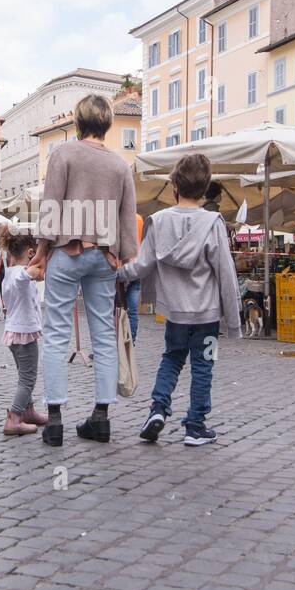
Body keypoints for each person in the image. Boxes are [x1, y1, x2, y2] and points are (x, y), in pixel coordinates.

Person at [30, 94, 138, 448]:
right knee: (103, 335)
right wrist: (123, 257)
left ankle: (56, 419)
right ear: (107, 124)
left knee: (58, 333)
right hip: (104, 255)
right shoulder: (121, 166)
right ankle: (101, 417)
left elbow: (51, 207)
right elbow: (127, 218)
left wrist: (42, 254)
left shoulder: (63, 154)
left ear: (77, 122)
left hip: (68, 250)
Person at [118, 154, 241, 446]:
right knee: (204, 365)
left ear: (174, 185)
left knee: (171, 359)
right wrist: (233, 321)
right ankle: (195, 426)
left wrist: (117, 274)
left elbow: (142, 265)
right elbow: (226, 272)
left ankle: (158, 408)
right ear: (206, 187)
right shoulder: (213, 223)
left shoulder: (158, 222)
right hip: (207, 315)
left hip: (175, 312)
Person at [0, 232, 48, 436]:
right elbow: (23, 277)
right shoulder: (19, 273)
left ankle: (28, 411)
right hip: (23, 333)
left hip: (15, 331)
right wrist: (33, 270)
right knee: (28, 379)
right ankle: (15, 418)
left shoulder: (8, 272)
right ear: (30, 252)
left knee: (23, 375)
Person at [123, 213, 144, 341]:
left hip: (123, 267)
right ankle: (131, 341)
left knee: (113, 310)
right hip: (137, 266)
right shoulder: (139, 218)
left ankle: (113, 345)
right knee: (132, 310)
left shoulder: (119, 217)